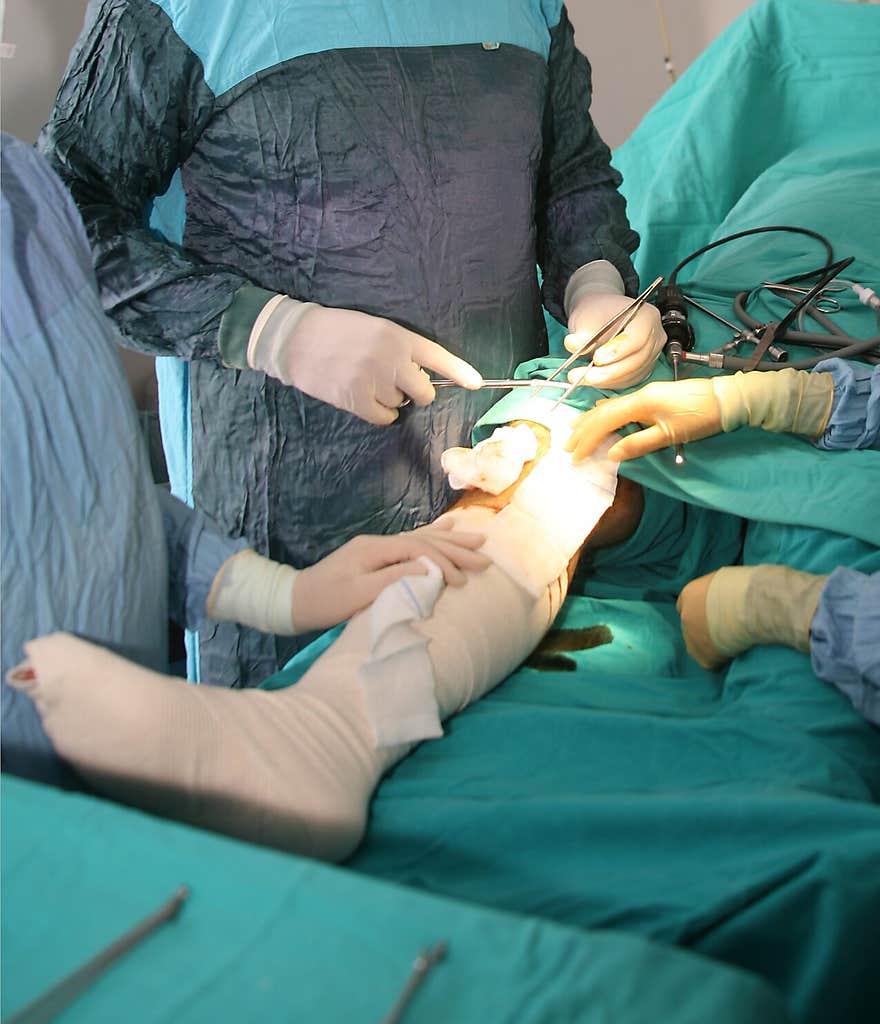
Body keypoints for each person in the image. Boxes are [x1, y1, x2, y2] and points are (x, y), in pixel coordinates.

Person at [38, 0, 663, 687]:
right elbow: (63, 219)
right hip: (287, 514)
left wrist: (594, 278)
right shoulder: (185, 11)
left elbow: (567, 168)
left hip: (496, 478)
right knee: (298, 750)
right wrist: (274, 330)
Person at [0, 134, 491, 786]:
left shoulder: (24, 189)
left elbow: (90, 497)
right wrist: (275, 332)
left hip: (121, 788)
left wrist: (282, 593)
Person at [564, 362, 880, 724]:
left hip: (847, 639)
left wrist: (796, 608)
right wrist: (792, 399)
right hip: (837, 487)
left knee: (789, 756)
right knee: (600, 421)